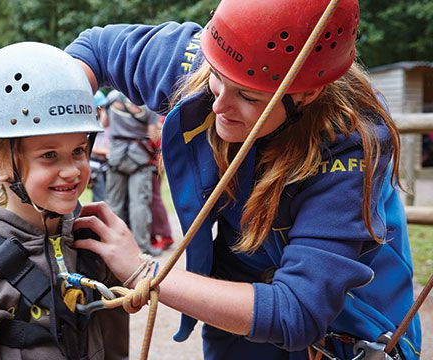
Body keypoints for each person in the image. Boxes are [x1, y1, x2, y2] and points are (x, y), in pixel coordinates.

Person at [67, 1, 422, 359]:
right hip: (241, 307)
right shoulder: (203, 61)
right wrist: (60, 147)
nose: (218, 106)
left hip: (344, 325)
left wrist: (144, 271)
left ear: (307, 94)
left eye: (248, 96)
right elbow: (94, 50)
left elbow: (297, 310)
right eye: (216, 79)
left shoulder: (350, 142)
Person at [0, 42, 129, 360]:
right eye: (49, 155)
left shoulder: (92, 242)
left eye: (79, 151)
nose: (71, 171)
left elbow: (114, 344)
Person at [104, 90, 162, 256]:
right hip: (139, 157)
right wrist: (159, 128)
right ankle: (141, 247)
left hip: (116, 155)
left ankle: (112, 242)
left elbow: (104, 122)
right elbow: (153, 135)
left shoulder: (112, 98)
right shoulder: (147, 102)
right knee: (139, 203)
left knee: (114, 203)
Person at [148, 115, 174, 251]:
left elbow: (158, 140)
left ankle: (165, 236)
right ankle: (153, 235)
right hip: (149, 163)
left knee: (155, 200)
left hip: (155, 164)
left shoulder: (161, 118)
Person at [89, 90, 111, 202]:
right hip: (95, 164)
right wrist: (103, 151)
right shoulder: (90, 125)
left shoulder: (106, 122)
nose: (103, 110)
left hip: (106, 164)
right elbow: (87, 148)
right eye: (100, 107)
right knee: (100, 198)